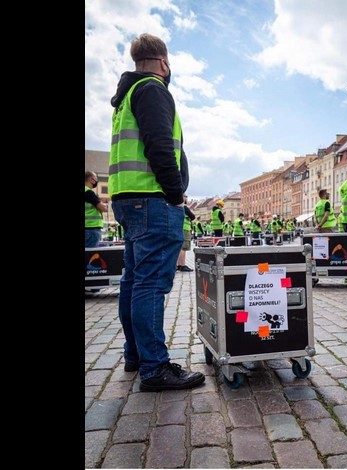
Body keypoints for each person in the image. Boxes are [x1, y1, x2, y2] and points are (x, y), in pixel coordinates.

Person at [109, 33, 204, 391]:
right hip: (152, 200)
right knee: (149, 284)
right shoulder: (152, 89)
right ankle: (154, 367)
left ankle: (135, 355)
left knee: (133, 281)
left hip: (128, 200)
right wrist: (176, 195)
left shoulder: (126, 97)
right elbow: (161, 146)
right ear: (163, 63)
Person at [85, 170, 107, 248]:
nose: (96, 180)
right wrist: (104, 205)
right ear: (91, 179)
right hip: (91, 228)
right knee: (89, 256)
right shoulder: (88, 192)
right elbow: (103, 208)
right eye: (95, 178)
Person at [176, 200, 195, 272]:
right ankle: (182, 265)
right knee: (184, 248)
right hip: (185, 229)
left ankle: (179, 265)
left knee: (179, 247)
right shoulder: (184, 207)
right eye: (185, 196)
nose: (186, 198)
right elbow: (193, 217)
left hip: (179, 228)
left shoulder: (175, 206)